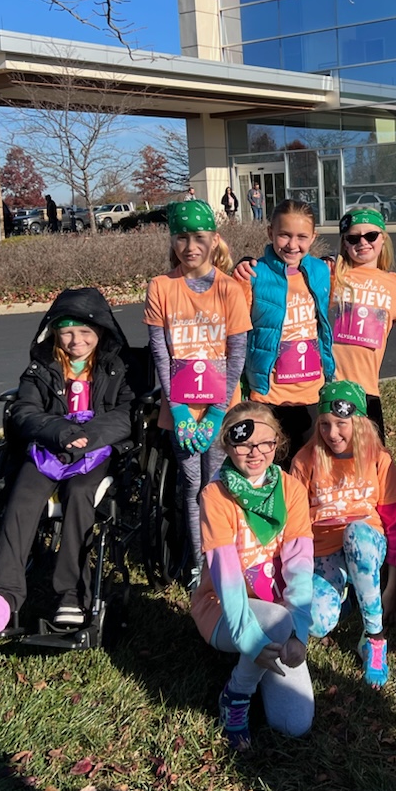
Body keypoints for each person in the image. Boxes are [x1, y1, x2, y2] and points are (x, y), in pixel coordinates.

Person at [0, 287, 134, 639]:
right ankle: (0, 594)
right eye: (67, 332)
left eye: (85, 332)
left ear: (101, 333)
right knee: (22, 494)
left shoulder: (116, 369)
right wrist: (60, 431)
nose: (76, 341)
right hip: (49, 448)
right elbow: (24, 410)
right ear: (54, 332)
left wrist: (90, 435)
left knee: (81, 493)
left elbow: (127, 413)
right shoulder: (42, 368)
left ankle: (71, 592)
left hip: (94, 452)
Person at [192, 403, 314, 751]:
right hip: (222, 610)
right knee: (275, 619)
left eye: (266, 443)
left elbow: (300, 567)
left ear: (279, 442)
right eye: (243, 444)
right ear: (227, 446)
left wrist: (300, 635)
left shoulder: (291, 490)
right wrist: (250, 640)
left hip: (278, 612)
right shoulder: (215, 496)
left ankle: (264, 658)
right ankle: (237, 693)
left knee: (295, 723)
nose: (256, 453)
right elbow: (226, 578)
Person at [143, 200, 251, 588]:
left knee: (218, 484)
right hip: (182, 410)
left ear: (214, 239)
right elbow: (161, 350)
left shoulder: (230, 289)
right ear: (172, 241)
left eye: (199, 237)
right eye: (182, 237)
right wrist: (179, 409)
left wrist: (219, 412)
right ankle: (200, 565)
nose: (190, 246)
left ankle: (225, 557)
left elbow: (236, 353)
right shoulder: (161, 287)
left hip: (221, 410)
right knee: (191, 485)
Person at [290, 381, 396, 688]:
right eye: (325, 424)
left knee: (357, 533)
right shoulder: (305, 460)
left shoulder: (378, 459)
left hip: (366, 544)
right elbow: (296, 526)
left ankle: (374, 638)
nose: (333, 434)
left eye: (341, 424)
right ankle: (349, 593)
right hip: (324, 550)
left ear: (358, 422)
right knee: (316, 623)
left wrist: (393, 588)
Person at [237, 198, 335, 463]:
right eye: (284, 235)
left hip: (312, 389)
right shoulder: (253, 274)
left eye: (302, 236)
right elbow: (234, 329)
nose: (293, 245)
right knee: (272, 466)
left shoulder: (321, 270)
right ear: (270, 233)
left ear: (313, 237)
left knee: (310, 466)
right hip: (270, 393)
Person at [330, 207, 396, 441]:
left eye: (371, 236)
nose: (362, 242)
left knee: (373, 461)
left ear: (383, 238)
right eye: (353, 238)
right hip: (329, 386)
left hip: (367, 390)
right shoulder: (330, 274)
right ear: (344, 243)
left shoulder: (395, 284)